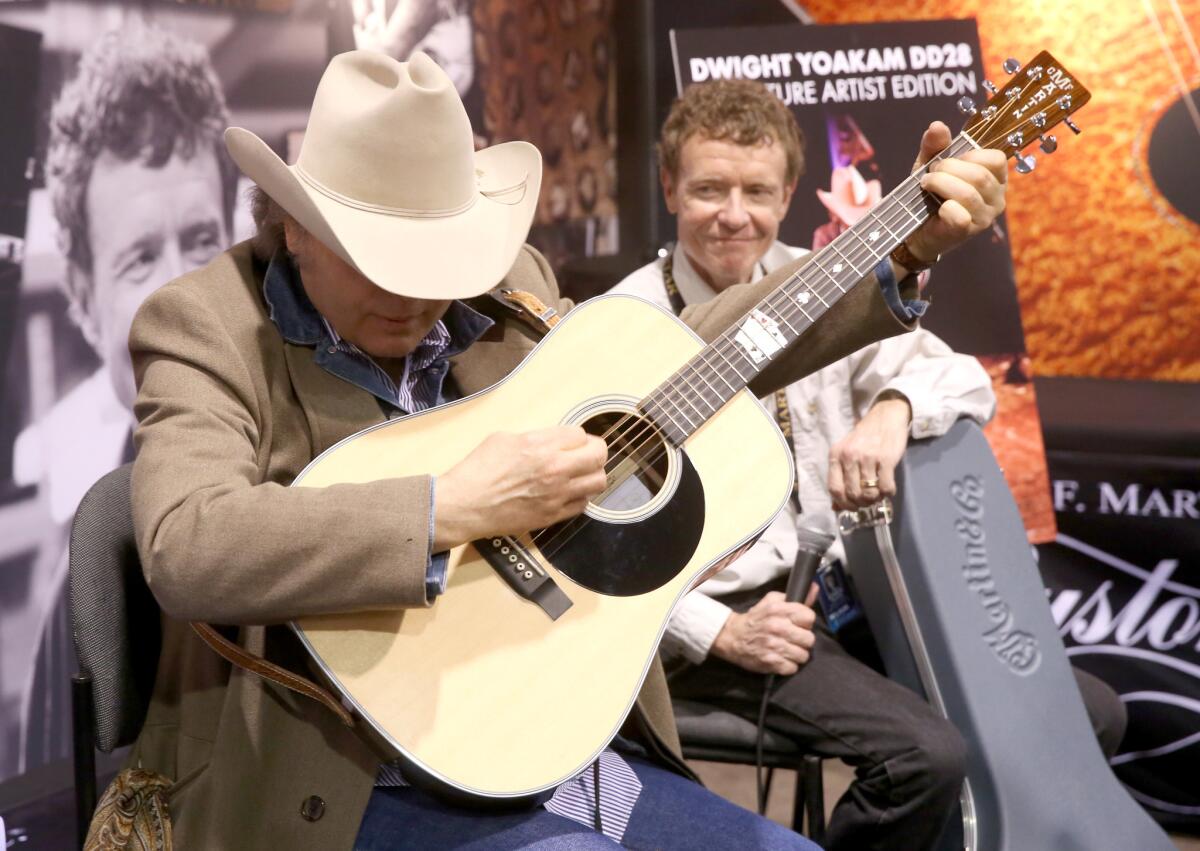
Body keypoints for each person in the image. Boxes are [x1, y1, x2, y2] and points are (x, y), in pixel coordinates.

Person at [124, 51, 1006, 848]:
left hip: (546, 735)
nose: (413, 296)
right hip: (333, 769)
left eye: (435, 261)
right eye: (378, 261)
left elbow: (695, 356)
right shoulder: (205, 323)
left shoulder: (503, 291)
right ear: (294, 224)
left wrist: (897, 246)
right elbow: (188, 542)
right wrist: (454, 502)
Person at [611, 79, 1128, 851]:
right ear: (668, 189)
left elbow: (961, 377)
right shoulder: (624, 325)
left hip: (835, 601)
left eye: (756, 190)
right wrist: (721, 631)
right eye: (708, 189)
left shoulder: (814, 278)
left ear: (789, 192)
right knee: (924, 758)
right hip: (700, 628)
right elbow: (594, 547)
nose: (733, 214)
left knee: (1085, 712)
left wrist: (892, 409)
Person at [7, 22, 237, 773]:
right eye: (140, 258)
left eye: (201, 240)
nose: (183, 295)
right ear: (83, 298)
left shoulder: (344, 471)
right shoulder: (74, 615)